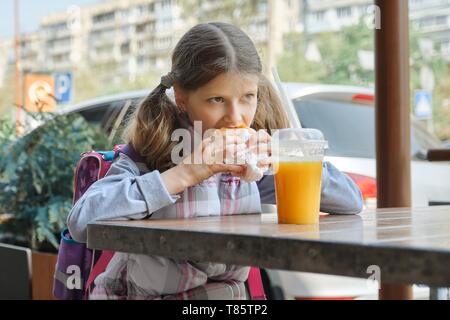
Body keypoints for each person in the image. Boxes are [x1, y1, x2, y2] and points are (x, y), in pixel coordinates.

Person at [67, 22, 363, 300]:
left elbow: (351, 201)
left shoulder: (249, 167)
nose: (236, 116)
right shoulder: (153, 153)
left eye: (247, 97)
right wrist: (185, 173)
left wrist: (286, 159)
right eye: (216, 100)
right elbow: (82, 222)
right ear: (182, 98)